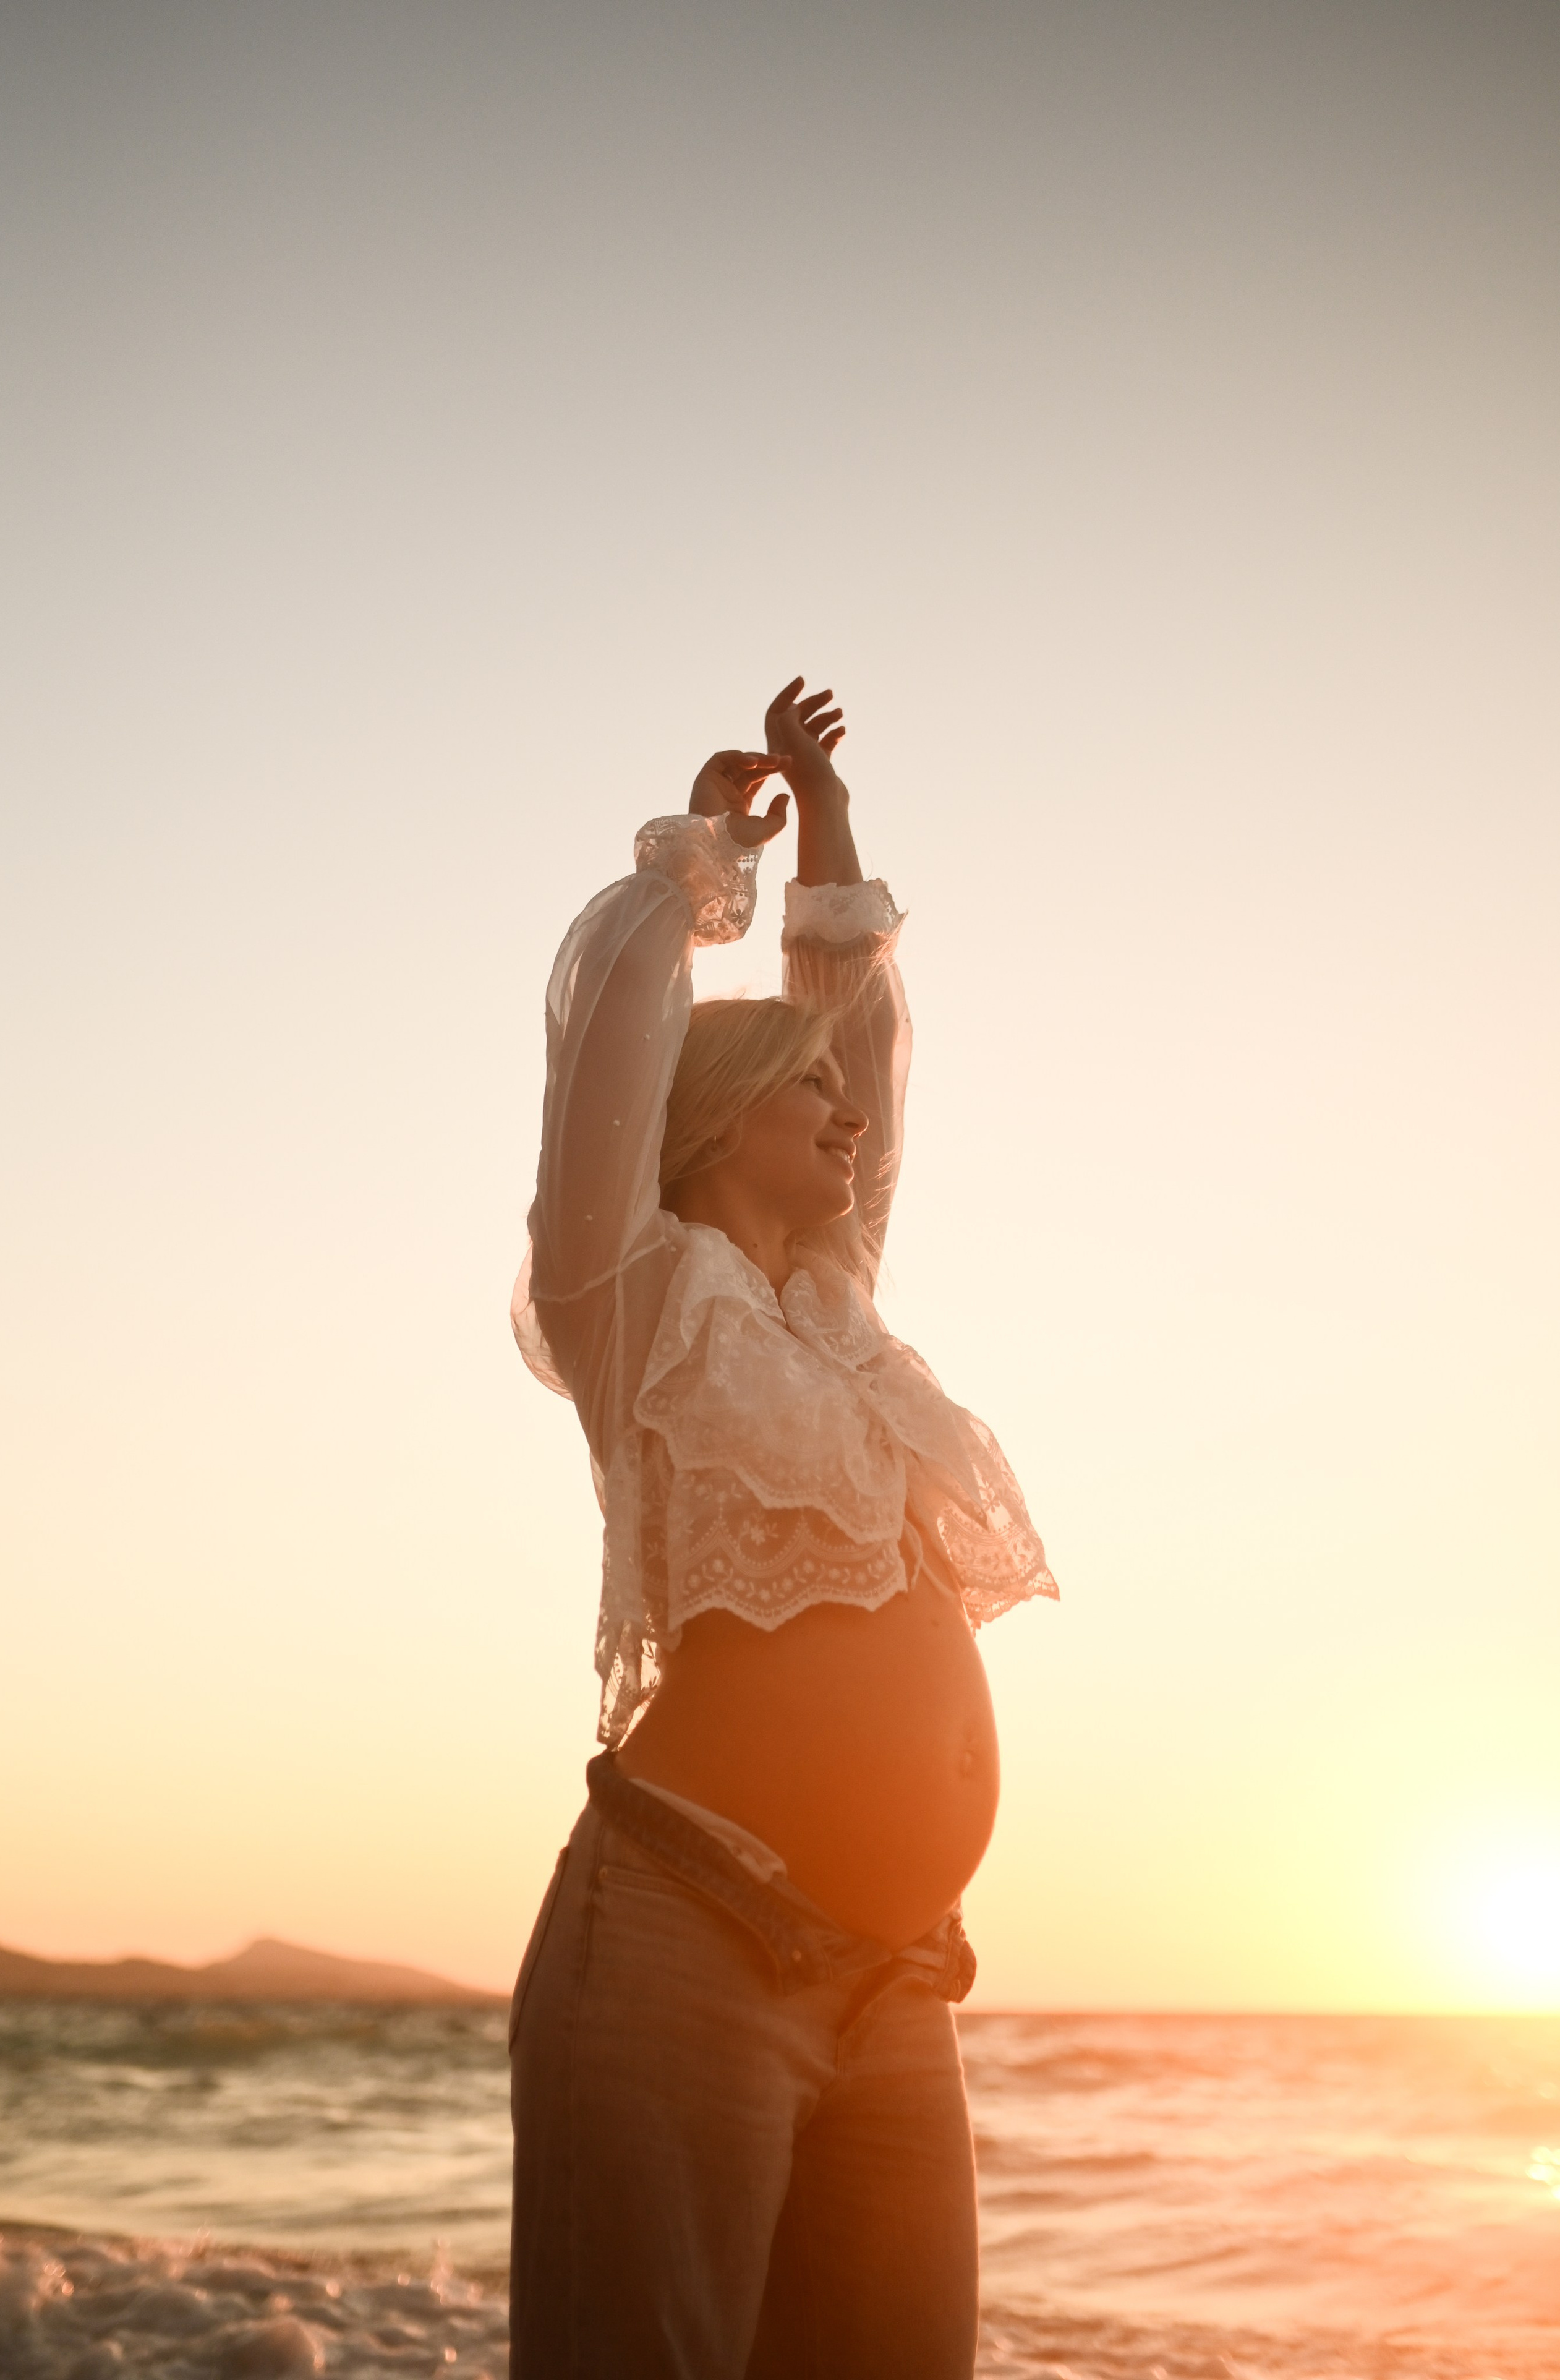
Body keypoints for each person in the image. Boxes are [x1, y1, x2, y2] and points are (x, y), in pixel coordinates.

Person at [508, 677, 1057, 2378]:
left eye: (839, 1093)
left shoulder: (841, 1314)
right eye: (802, 1088)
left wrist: (828, 827)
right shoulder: (631, 1295)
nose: (849, 1114)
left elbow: (867, 1039)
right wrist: (701, 869)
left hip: (898, 1982)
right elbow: (607, 1049)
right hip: (690, 1943)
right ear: (712, 1118)